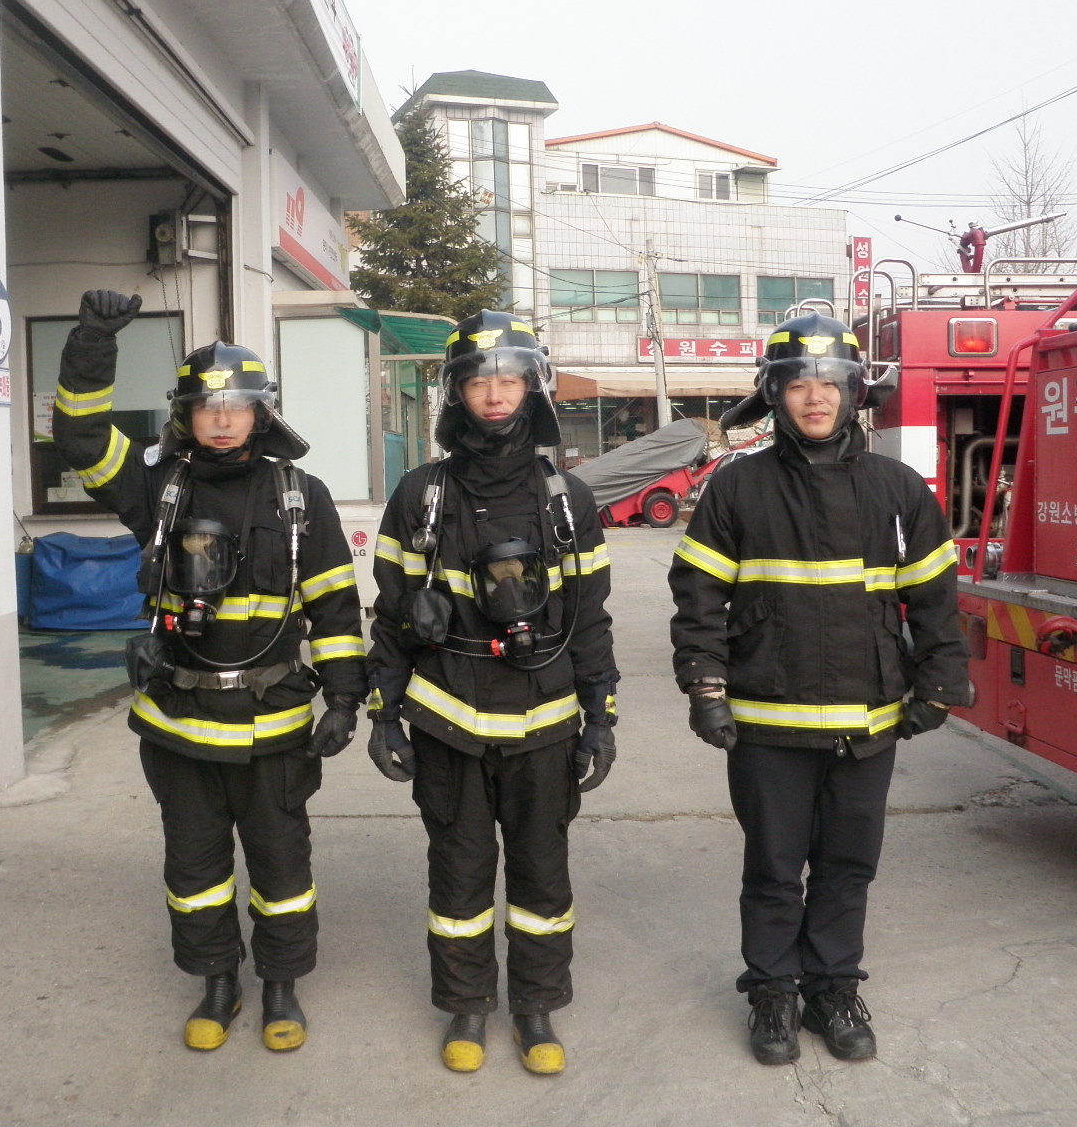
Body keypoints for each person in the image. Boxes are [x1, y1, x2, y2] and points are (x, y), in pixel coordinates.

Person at [53, 290, 365, 1053]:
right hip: (180, 725)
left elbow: (333, 605)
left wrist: (344, 700)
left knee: (281, 866)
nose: (222, 420)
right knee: (194, 868)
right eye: (206, 408)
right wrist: (92, 343)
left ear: (261, 414)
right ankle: (217, 982)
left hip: (274, 727)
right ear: (186, 416)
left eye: (236, 407)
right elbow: (81, 437)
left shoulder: (302, 497)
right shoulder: (157, 489)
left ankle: (281, 986)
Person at [667, 313, 969, 1066]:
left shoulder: (897, 489)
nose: (815, 397)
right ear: (773, 394)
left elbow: (935, 597)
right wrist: (705, 684)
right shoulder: (738, 487)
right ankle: (772, 991)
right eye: (798, 383)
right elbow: (698, 596)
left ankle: (832, 989)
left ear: (854, 392)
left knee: (846, 867)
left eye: (830, 383)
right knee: (774, 868)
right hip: (767, 720)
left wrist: (939, 681)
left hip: (868, 719)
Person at [366, 311, 618, 1076]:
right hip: (449, 725)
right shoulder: (420, 496)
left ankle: (536, 1006)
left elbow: (591, 621)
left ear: (533, 389)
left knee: (542, 874)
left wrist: (600, 718)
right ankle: (467, 1004)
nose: (496, 394)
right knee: (459, 873)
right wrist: (384, 714)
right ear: (458, 393)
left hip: (545, 727)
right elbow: (390, 616)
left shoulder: (569, 501)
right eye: (480, 381)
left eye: (510, 379)